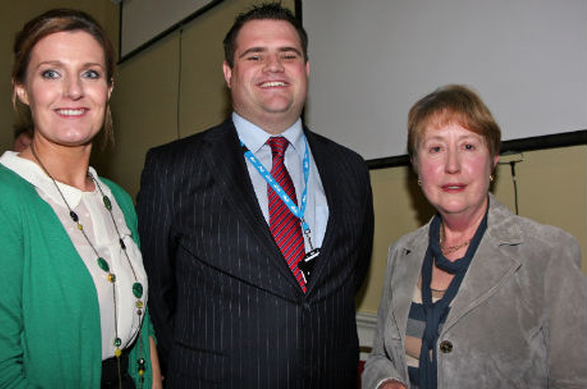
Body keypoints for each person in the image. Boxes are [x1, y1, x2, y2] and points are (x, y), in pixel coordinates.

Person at [137, 3, 374, 388]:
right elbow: (157, 297)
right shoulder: (172, 168)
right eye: (255, 55)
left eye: (288, 55)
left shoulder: (350, 168)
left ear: (306, 70)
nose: (274, 66)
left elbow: (350, 277)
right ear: (229, 73)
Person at [0, 9, 161, 388]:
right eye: (51, 73)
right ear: (21, 88)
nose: (73, 90)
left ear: (109, 88)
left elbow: (145, 332)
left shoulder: (119, 201)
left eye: (90, 73)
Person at [362, 84, 587, 389]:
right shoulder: (402, 252)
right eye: (435, 148)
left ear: (493, 158)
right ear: (416, 165)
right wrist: (385, 382)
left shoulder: (548, 253)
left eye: (468, 146)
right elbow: (379, 357)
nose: (452, 166)